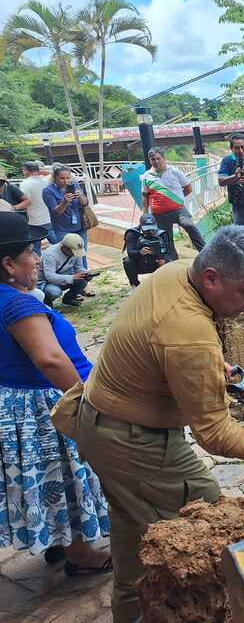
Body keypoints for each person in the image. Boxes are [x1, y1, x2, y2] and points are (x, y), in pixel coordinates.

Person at [62, 225, 244, 622]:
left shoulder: (175, 272)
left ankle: (131, 612)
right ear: (211, 277)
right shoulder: (190, 334)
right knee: (211, 532)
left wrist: (207, 369)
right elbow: (215, 434)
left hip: (100, 425)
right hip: (134, 444)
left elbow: (162, 346)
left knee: (135, 542)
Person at [0, 212, 111, 575]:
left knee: (46, 477)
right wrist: (86, 397)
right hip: (42, 406)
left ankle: (60, 540)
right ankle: (80, 553)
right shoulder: (18, 305)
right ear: (9, 264)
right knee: (65, 476)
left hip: (15, 402)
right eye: (31, 253)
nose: (36, 259)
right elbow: (49, 360)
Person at [142, 147, 206, 257]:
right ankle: (173, 261)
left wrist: (177, 199)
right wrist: (145, 213)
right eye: (153, 160)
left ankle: (206, 253)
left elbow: (188, 188)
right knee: (166, 239)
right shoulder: (146, 176)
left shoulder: (174, 171)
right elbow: (145, 195)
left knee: (189, 226)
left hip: (178, 210)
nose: (156, 162)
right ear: (150, 161)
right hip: (159, 214)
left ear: (163, 158)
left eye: (158, 158)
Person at [43, 164, 89, 269]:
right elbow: (56, 212)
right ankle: (69, 277)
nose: (65, 181)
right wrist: (64, 202)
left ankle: (83, 276)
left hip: (80, 227)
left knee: (82, 253)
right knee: (67, 254)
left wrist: (80, 196)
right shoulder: (48, 191)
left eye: (68, 178)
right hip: (62, 229)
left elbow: (85, 203)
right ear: (55, 178)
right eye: (62, 178)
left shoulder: (75, 185)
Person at [122, 213, 174, 288]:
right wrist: (140, 252)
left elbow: (168, 252)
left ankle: (163, 283)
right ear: (141, 226)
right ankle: (135, 284)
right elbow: (130, 252)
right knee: (127, 262)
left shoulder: (162, 234)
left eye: (152, 228)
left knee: (169, 261)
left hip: (156, 262)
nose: (150, 231)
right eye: (147, 228)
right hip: (140, 262)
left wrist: (162, 259)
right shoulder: (132, 233)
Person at [38, 233, 91, 308]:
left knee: (83, 280)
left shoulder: (76, 251)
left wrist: (86, 274)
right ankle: (47, 302)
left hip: (64, 277)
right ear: (64, 247)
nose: (74, 254)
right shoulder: (50, 255)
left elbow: (79, 268)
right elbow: (49, 276)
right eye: (72, 251)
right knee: (55, 292)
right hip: (47, 282)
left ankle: (69, 298)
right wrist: (72, 278)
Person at [19, 161, 51, 255]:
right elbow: (51, 173)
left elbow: (26, 202)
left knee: (36, 248)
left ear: (25, 170)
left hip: (34, 221)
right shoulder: (47, 180)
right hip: (49, 218)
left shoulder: (25, 184)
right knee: (57, 241)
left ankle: (38, 267)